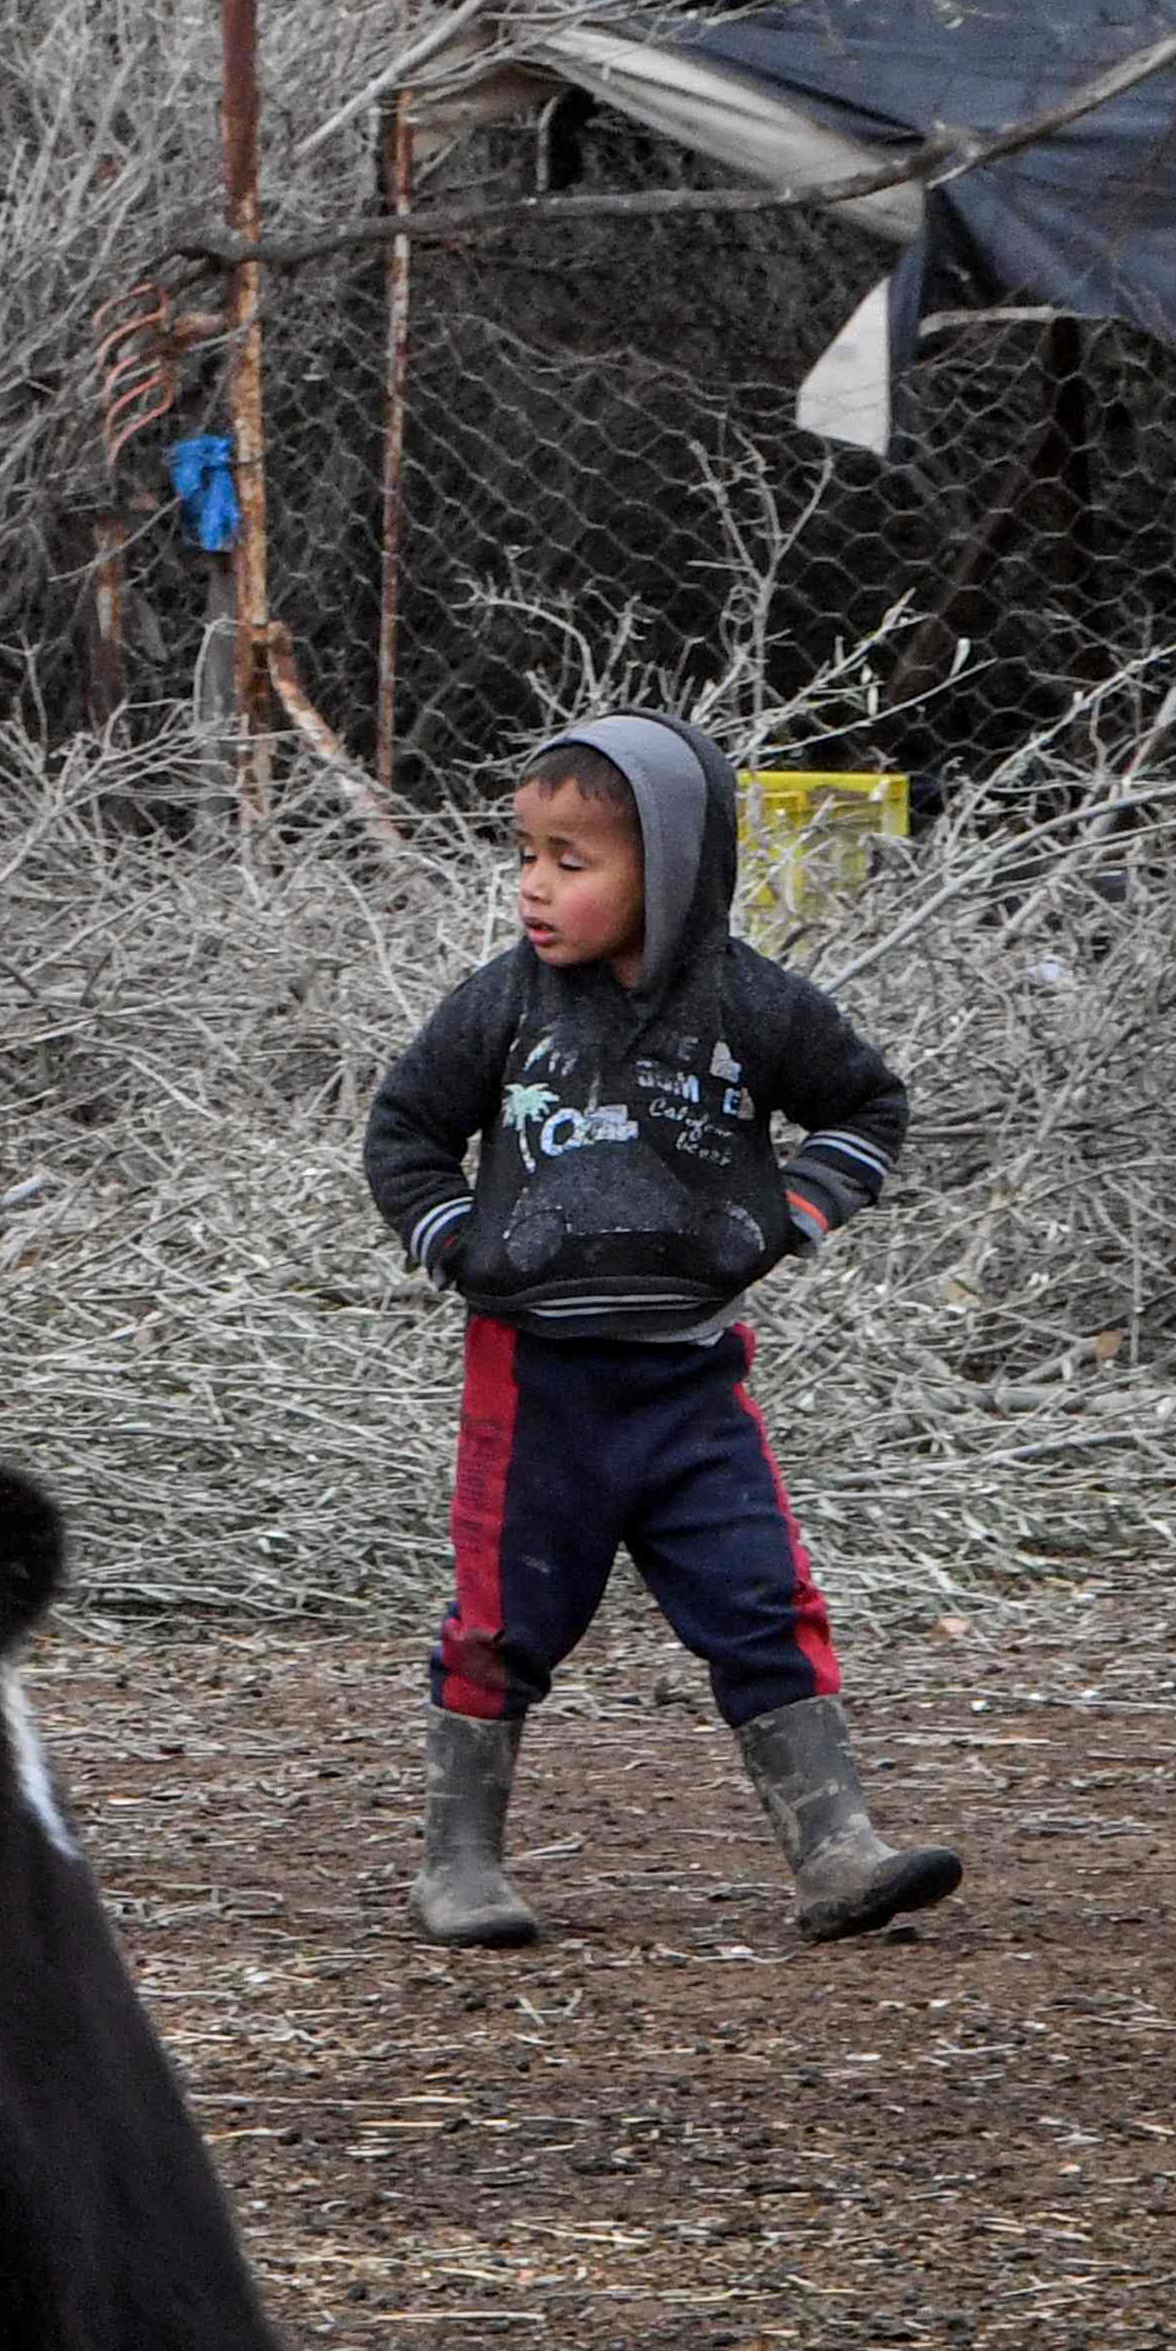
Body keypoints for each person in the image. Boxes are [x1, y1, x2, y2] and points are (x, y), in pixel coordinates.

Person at [357, 714, 960, 1947]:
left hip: (693, 1380)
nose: (534, 884)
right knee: (501, 1617)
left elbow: (867, 1105)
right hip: (536, 1381)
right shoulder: (502, 1005)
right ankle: (458, 1859)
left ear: (672, 869)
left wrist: (792, 1215)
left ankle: (834, 1847)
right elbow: (405, 1132)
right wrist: (457, 1238)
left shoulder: (748, 1001)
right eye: (525, 852)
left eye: (571, 860)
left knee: (759, 1599)